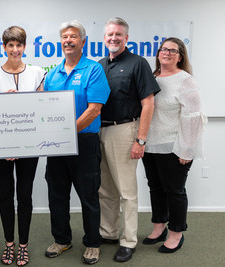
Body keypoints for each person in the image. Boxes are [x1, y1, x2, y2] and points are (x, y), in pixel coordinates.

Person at [43, 20, 110, 265]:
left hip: (85, 143)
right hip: (56, 145)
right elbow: (44, 108)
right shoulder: (52, 73)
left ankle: (92, 243)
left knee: (89, 195)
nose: (68, 41)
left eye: (73, 37)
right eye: (64, 37)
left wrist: (65, 131)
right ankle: (62, 240)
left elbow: (94, 110)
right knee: (57, 194)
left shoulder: (93, 70)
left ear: (83, 42)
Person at [98, 17, 161, 262]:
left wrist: (140, 140)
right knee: (106, 189)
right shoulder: (100, 64)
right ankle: (109, 232)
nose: (113, 38)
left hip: (124, 131)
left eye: (118, 34)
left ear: (126, 38)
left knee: (126, 191)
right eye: (109, 34)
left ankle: (128, 240)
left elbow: (149, 104)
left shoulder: (138, 63)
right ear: (104, 38)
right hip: (99, 131)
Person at [0, 26, 46, 266]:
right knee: (6, 195)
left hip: (29, 147)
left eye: (19, 45)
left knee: (25, 196)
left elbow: (40, 108)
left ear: (24, 46)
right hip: (0, 149)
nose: (15, 49)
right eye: (10, 45)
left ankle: (23, 246)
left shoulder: (37, 72)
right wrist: (3, 101)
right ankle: (9, 245)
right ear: (4, 47)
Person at [141, 37, 205, 253]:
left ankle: (176, 232)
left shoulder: (185, 80)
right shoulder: (152, 77)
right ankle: (159, 226)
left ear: (180, 56)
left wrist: (187, 149)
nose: (166, 53)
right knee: (155, 188)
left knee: (174, 191)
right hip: (150, 145)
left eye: (172, 50)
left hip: (174, 147)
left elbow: (193, 116)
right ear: (158, 53)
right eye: (163, 49)